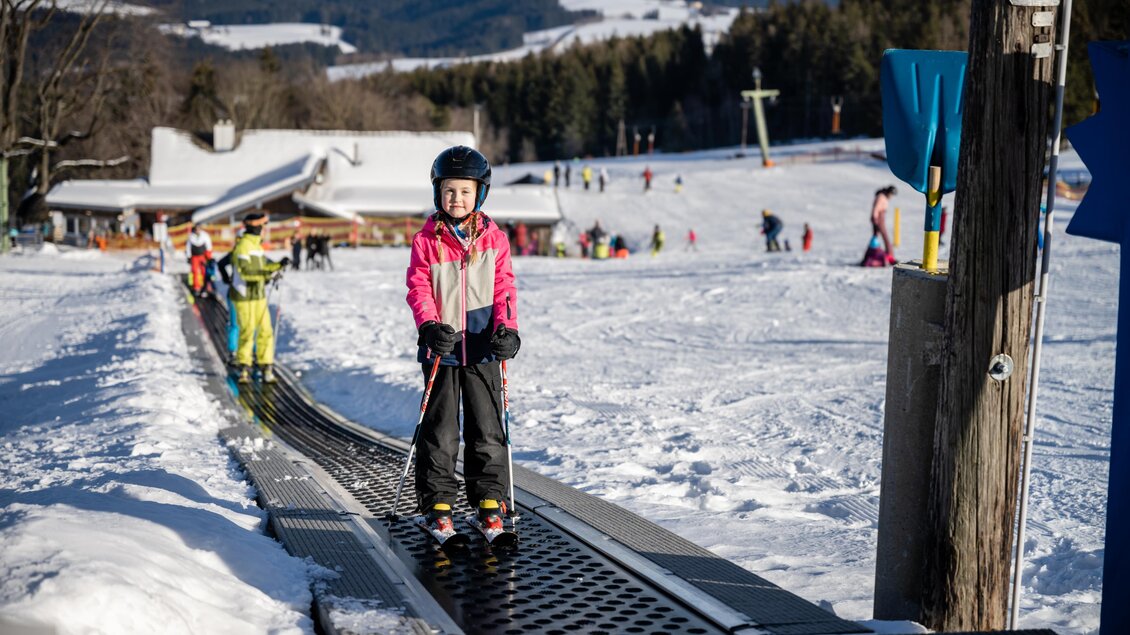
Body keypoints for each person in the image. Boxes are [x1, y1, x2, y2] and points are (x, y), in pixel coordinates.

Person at [406, 145, 521, 535]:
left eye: (465, 191)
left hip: (483, 344)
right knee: (440, 430)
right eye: (449, 190)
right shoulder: (427, 240)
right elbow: (419, 288)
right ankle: (438, 503)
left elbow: (504, 288)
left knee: (486, 428)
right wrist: (428, 326)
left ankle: (489, 500)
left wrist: (507, 329)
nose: (456, 199)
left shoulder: (494, 239)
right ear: (438, 192)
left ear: (480, 194)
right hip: (441, 346)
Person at [230, 213, 289, 383]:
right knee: (247, 331)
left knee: (265, 330)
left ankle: (266, 365)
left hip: (258, 295)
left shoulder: (257, 246)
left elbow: (262, 267)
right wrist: (267, 275)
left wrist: (278, 265)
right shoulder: (243, 246)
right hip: (244, 295)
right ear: (256, 227)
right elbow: (246, 272)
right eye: (263, 227)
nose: (264, 230)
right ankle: (244, 366)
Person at [871, 185, 897, 264]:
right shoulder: (881, 197)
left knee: (875, 238)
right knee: (885, 239)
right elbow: (876, 208)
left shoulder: (883, 197)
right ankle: (890, 258)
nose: (891, 197)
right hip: (878, 219)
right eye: (891, 194)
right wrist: (875, 220)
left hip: (880, 219)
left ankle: (872, 257)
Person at [185, 224, 213, 296]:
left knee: (204, 271)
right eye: (196, 229)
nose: (197, 230)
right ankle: (196, 287)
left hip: (203, 256)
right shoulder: (191, 236)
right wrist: (188, 256)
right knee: (195, 271)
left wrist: (208, 256)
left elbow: (209, 246)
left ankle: (205, 286)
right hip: (194, 257)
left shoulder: (205, 236)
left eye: (198, 229)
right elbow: (188, 247)